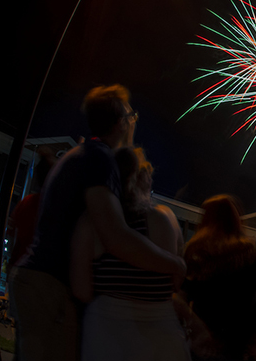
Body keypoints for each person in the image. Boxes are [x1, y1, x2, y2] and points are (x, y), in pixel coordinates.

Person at [11, 85, 185, 361]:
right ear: (120, 123)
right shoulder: (100, 159)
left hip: (39, 281)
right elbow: (116, 236)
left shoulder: (85, 154)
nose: (134, 121)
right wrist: (174, 263)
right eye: (131, 116)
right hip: (49, 287)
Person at [71, 147, 189, 361]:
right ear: (142, 179)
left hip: (105, 333)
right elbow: (174, 284)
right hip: (159, 333)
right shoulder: (162, 219)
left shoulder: (90, 223)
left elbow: (81, 290)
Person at [179, 195, 256, 360]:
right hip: (244, 346)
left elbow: (178, 297)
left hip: (204, 347)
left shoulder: (192, 252)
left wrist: (198, 328)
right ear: (236, 219)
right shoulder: (255, 249)